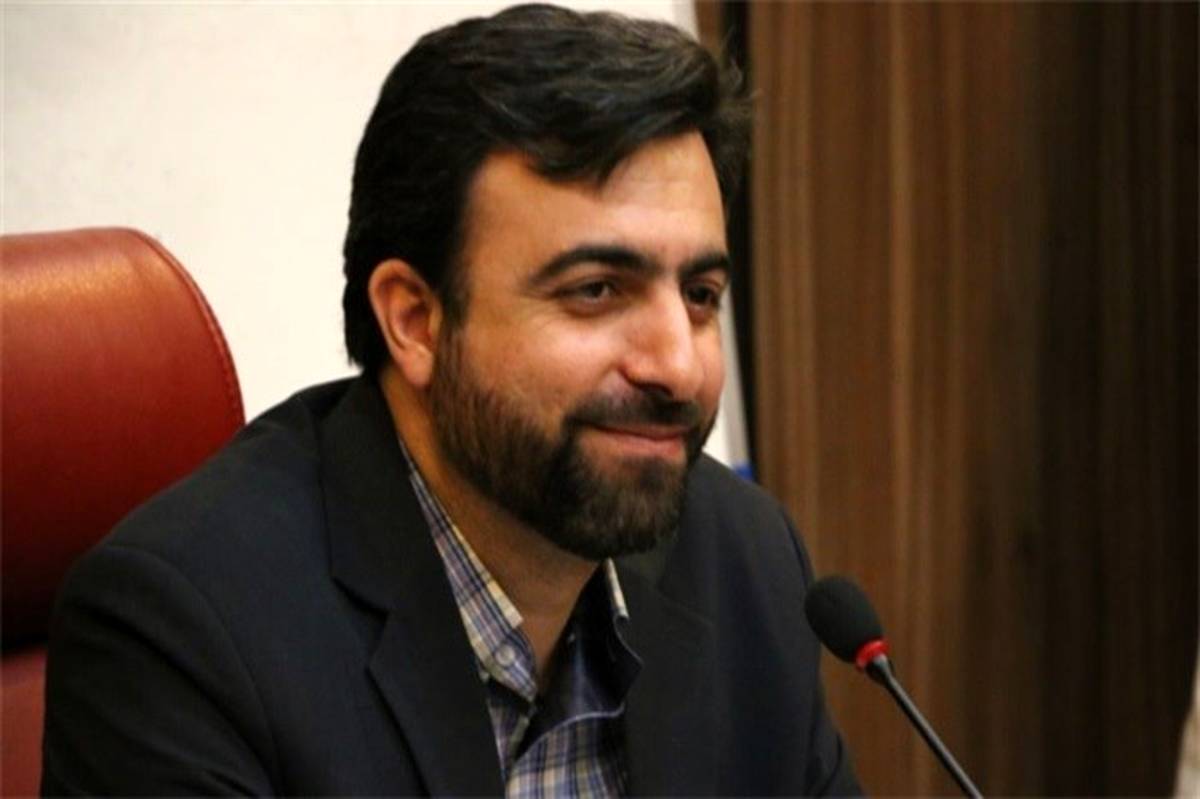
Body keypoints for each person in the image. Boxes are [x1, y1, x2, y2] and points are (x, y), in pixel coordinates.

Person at [41, 4, 859, 795]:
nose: (677, 365)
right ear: (416, 320)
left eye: (701, 295)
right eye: (597, 290)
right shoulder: (188, 633)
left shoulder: (745, 561)